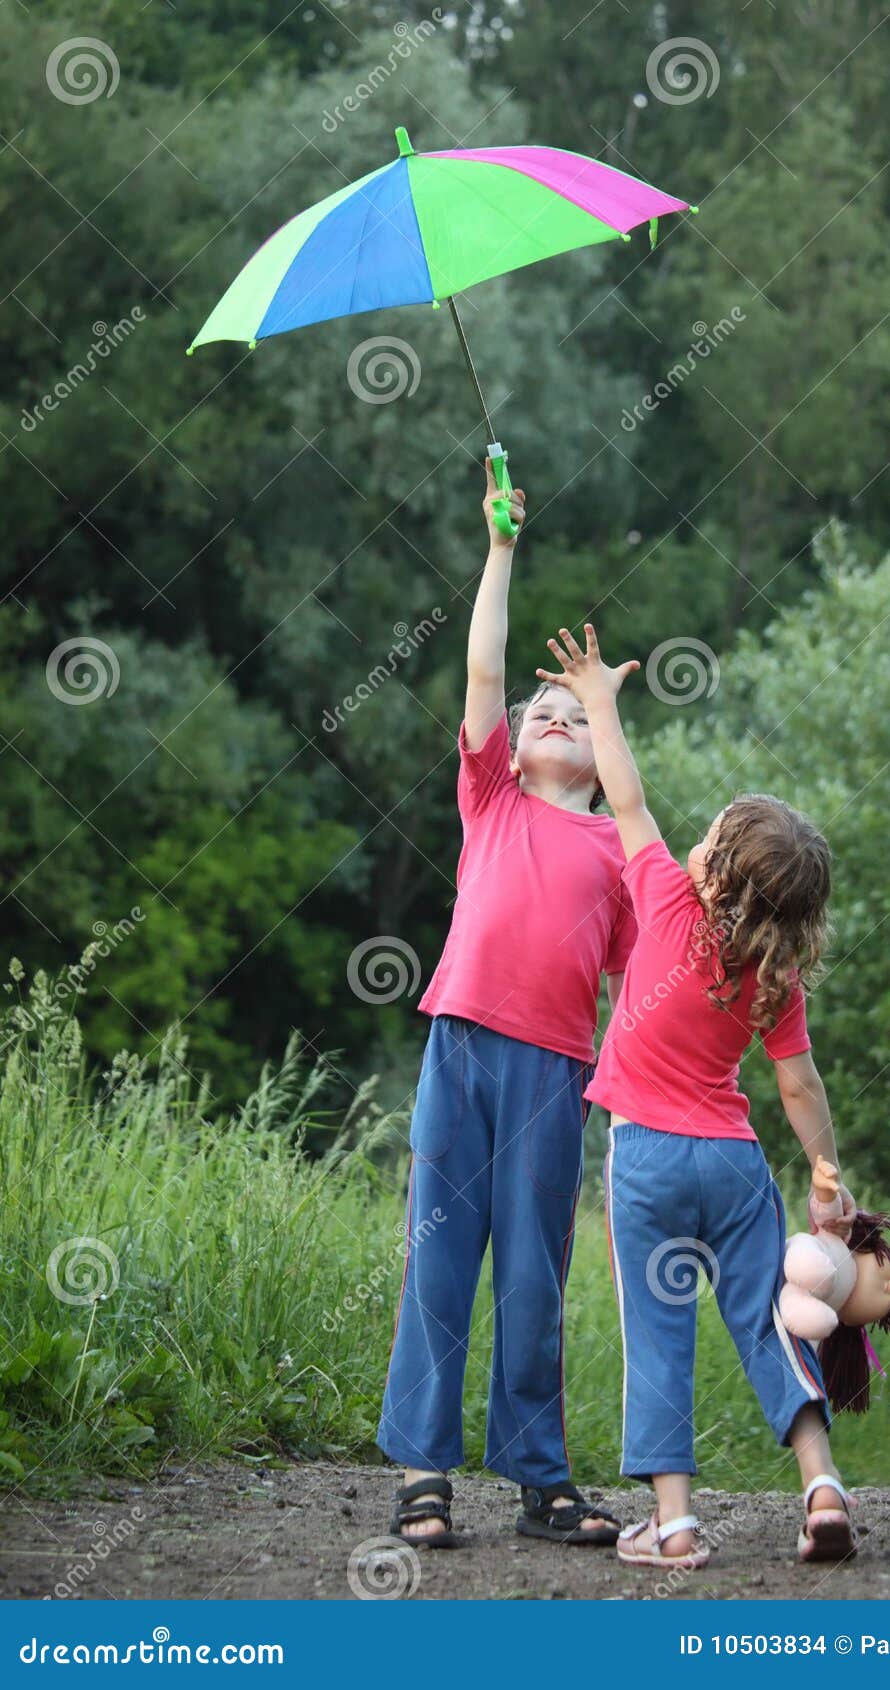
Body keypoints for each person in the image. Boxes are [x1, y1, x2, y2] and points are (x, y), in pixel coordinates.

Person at [534, 623, 858, 1569]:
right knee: (767, 1318)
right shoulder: (773, 977)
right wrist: (827, 1179)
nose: (697, 836)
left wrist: (598, 699)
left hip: (646, 1160)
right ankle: (822, 1483)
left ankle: (673, 1525)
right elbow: (797, 1083)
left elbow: (623, 793)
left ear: (713, 867)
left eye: (711, 832)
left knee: (658, 1330)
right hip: (732, 1161)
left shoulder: (669, 898)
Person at [377, 470, 636, 1549]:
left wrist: (627, 1095)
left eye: (579, 718)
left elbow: (635, 985)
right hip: (460, 1049)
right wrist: (498, 550)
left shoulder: (619, 846)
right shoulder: (489, 797)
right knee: (440, 1259)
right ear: (516, 745)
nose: (556, 719)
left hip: (550, 1076)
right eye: (546, 711)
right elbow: (485, 665)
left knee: (534, 1274)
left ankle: (540, 1479)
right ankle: (424, 1475)